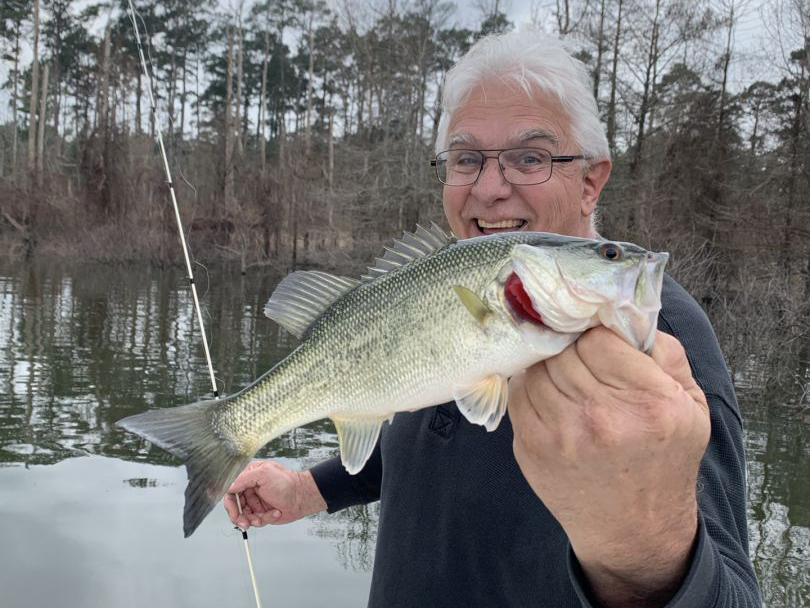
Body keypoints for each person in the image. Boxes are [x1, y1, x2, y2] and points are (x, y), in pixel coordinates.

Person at [224, 27, 761, 608]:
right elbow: (420, 441)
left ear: (590, 181)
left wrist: (644, 548)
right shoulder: (440, 292)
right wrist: (307, 490)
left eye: (529, 158)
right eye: (467, 159)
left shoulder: (659, 344)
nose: (489, 188)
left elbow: (734, 593)